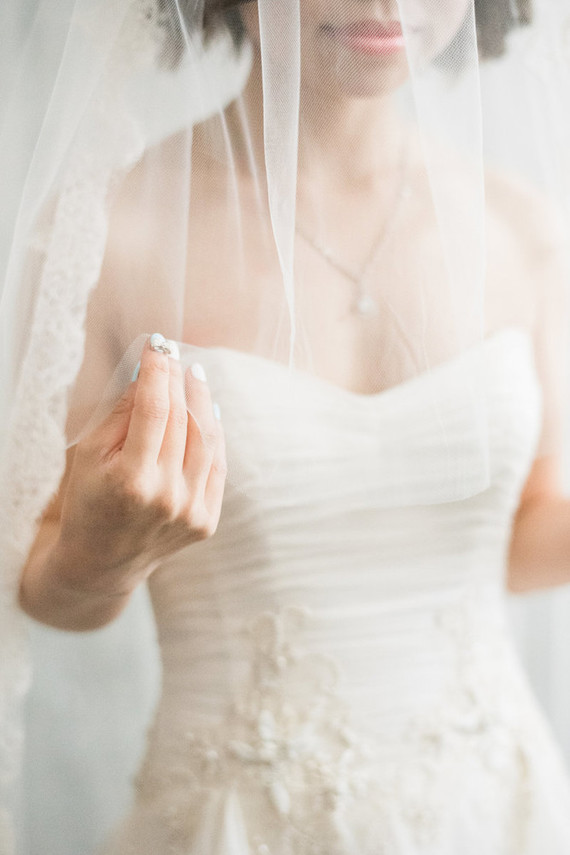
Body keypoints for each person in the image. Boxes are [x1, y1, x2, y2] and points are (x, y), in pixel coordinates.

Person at [7, 0, 570, 852]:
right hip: (244, 820)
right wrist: (103, 549)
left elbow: (525, 541)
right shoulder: (107, 234)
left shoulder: (523, 225)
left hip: (496, 805)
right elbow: (43, 580)